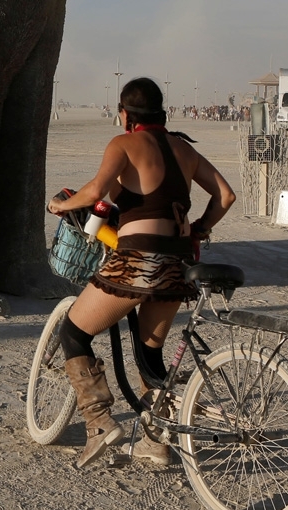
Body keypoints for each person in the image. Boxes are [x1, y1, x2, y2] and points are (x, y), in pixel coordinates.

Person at [46, 77, 236, 468]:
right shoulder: (183, 148)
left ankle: (99, 423)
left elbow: (96, 191)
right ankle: (157, 441)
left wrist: (60, 206)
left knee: (74, 331)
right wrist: (199, 228)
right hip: (178, 263)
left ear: (125, 114)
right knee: (150, 354)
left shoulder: (124, 143)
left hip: (139, 261)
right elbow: (226, 196)